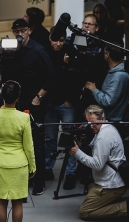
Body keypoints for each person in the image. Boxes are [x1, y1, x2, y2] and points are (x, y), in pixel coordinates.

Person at [0, 80, 36, 222]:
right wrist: (33, 166)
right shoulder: (23, 117)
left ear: (2, 96)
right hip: (19, 163)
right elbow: (28, 146)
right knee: (17, 203)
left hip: (0, 162)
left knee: (1, 202)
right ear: (18, 97)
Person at [68, 105, 129, 222]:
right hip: (113, 180)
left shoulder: (103, 137)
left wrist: (77, 153)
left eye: (94, 123)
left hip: (110, 185)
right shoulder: (108, 127)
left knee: (85, 211)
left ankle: (125, 208)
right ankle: (126, 202)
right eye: (88, 123)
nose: (91, 126)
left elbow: (97, 165)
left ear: (102, 119)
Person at [9, 18, 55, 196]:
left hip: (34, 102)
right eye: (16, 31)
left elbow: (51, 77)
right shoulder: (13, 49)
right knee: (18, 141)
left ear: (29, 31)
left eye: (22, 30)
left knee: (36, 141)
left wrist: (39, 97)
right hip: (18, 102)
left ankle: (39, 180)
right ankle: (24, 175)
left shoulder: (38, 50)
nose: (19, 34)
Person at [44, 26, 77, 189]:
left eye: (62, 40)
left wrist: (70, 100)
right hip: (50, 102)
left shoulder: (71, 52)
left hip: (66, 103)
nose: (58, 44)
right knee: (49, 138)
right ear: (50, 39)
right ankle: (47, 168)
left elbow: (77, 77)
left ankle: (70, 173)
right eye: (55, 40)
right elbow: (48, 76)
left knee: (69, 138)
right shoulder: (45, 53)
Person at [84, 43, 129, 125]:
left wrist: (94, 89)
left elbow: (108, 101)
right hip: (112, 118)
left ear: (107, 55)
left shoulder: (118, 76)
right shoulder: (115, 71)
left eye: (104, 52)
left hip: (114, 121)